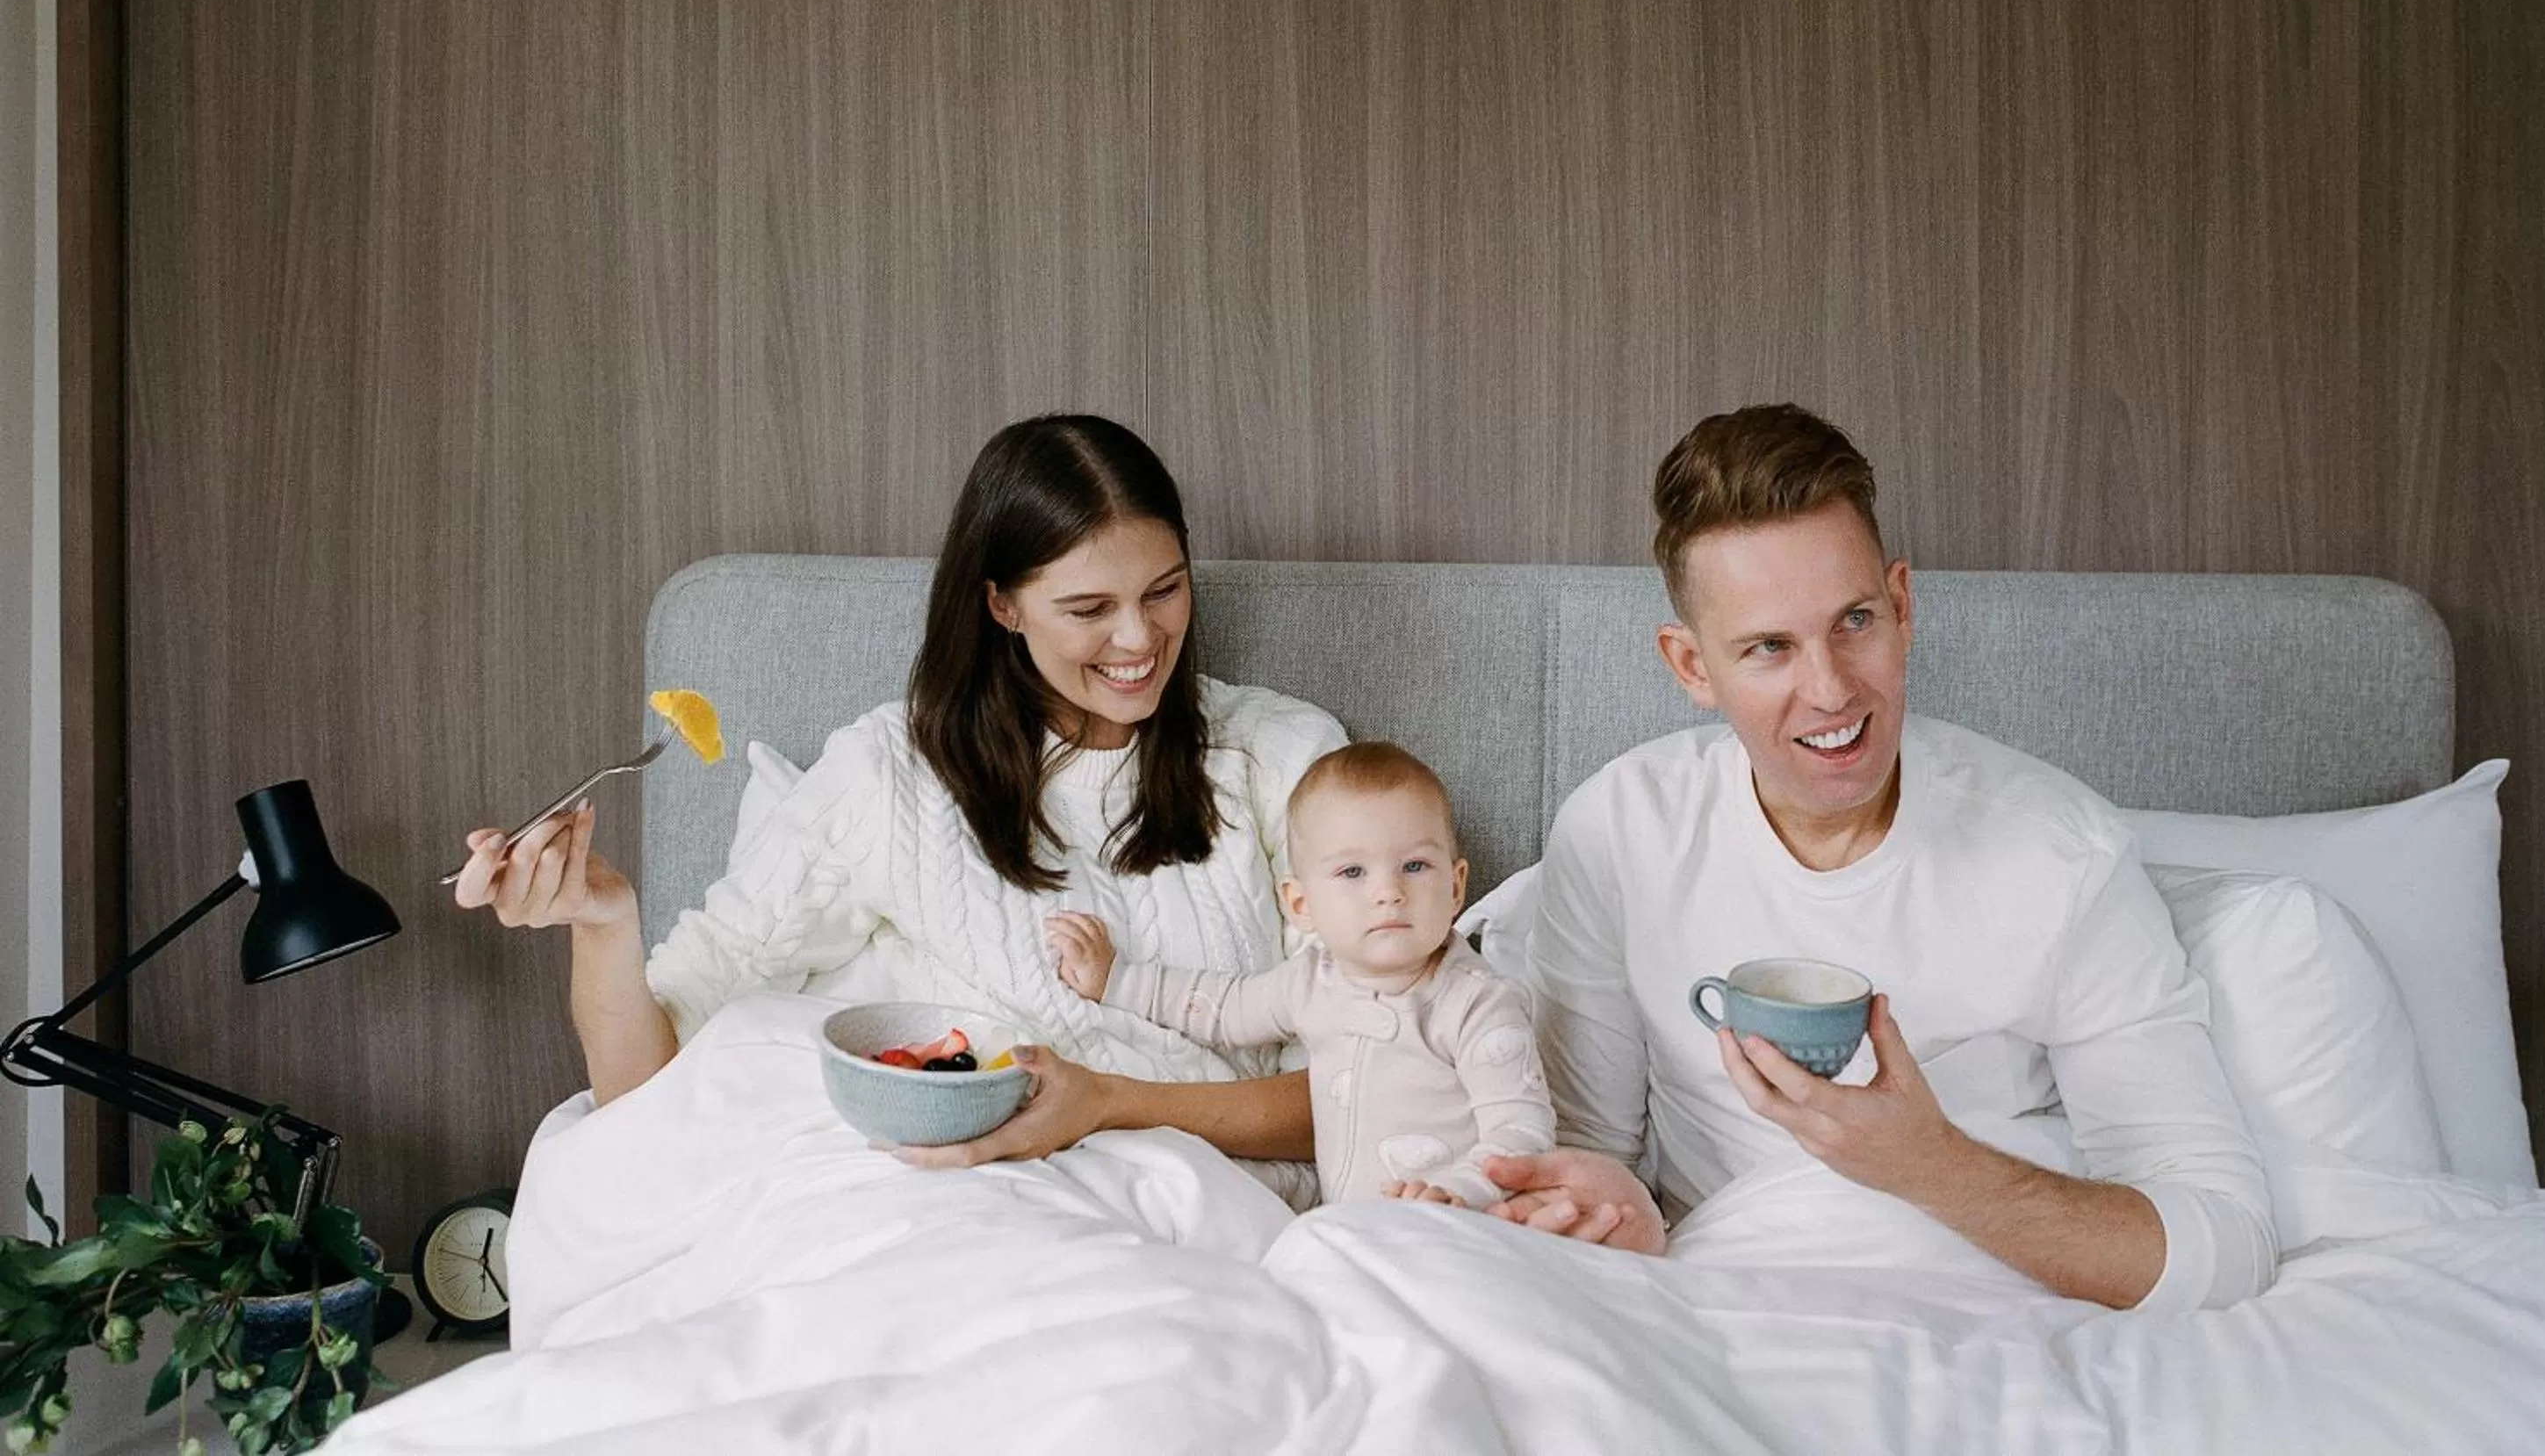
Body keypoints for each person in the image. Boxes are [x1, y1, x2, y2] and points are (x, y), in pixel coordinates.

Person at [1487, 404, 2275, 1312]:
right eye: (1768, 648)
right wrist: (1612, 1212)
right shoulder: (1618, 831)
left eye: (1853, 620)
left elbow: (2224, 1244)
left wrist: (1929, 1165)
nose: (1829, 692)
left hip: (1981, 1309)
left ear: (1901, 606)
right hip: (1720, 1296)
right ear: (1690, 666)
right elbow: (1591, 1154)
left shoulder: (2061, 853)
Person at [451, 413, 1346, 1177]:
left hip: (1199, 1200)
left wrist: (1106, 1104)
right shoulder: (887, 774)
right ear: (1001, 606)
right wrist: (603, 921)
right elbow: (643, 1091)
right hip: (956, 1203)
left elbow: (1369, 1096)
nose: (1138, 639)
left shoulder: (1284, 757)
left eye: (1164, 591)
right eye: (1087, 609)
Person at [1046, 741, 1554, 1206]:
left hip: (1458, 1231)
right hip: (1348, 1233)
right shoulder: (1312, 982)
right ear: (1301, 904)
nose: (1389, 892)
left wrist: (1458, 1194)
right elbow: (1224, 1009)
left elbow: (1522, 1132)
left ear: (1456, 886)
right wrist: (1118, 979)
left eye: (1416, 866)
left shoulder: (1478, 1003)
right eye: (1353, 872)